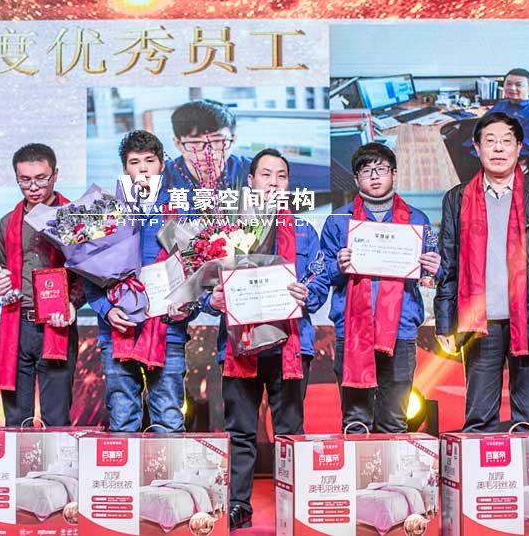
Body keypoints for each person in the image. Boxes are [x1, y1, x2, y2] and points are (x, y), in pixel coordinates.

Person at [201, 149, 328, 531]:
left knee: (290, 433)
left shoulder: (304, 230)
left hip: (290, 345)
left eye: (281, 176)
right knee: (240, 432)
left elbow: (320, 278)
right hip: (239, 346)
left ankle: (296, 507)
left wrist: (309, 292)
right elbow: (203, 285)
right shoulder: (227, 232)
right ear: (250, 181)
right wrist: (212, 299)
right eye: (266, 175)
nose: (274, 182)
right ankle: (238, 506)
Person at [436, 112, 529, 432]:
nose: (498, 148)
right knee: (479, 421)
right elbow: (448, 266)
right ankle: (482, 466)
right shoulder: (457, 199)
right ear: (477, 148)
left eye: (506, 141)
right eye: (490, 141)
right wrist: (445, 322)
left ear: (518, 147)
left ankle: (528, 466)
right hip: (479, 323)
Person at [317, 143, 441, 433]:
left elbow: (434, 269)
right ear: (356, 179)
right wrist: (339, 266)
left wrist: (436, 266)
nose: (374, 176)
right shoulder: (338, 221)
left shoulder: (418, 220)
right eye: (366, 171)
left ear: (394, 174)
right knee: (355, 421)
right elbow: (323, 273)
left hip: (400, 330)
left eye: (381, 169)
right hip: (352, 330)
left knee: (394, 421)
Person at [86, 131, 193, 432]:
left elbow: (196, 268)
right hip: (119, 328)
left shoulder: (182, 210)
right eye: (135, 162)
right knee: (122, 421)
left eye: (150, 160)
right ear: (125, 169)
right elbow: (88, 272)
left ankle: (169, 467)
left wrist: (188, 305)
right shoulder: (106, 212)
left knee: (169, 420)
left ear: (162, 165)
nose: (143, 169)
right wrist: (106, 309)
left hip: (167, 330)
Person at [0, 143, 83, 427]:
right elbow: (0, 273)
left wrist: (72, 303)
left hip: (57, 324)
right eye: (25, 180)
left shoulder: (74, 217)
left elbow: (88, 273)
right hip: (17, 325)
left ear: (55, 174)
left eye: (41, 179)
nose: (33, 187)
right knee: (16, 418)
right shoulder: (8, 222)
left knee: (56, 417)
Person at [163, 99, 251, 197]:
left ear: (233, 140)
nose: (208, 152)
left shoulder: (254, 171)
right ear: (178, 144)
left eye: (217, 141)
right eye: (195, 142)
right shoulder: (159, 177)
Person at [485, 68, 529, 158]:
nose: (512, 88)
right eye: (509, 84)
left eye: (518, 85)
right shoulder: (501, 104)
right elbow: (482, 123)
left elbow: (524, 149)